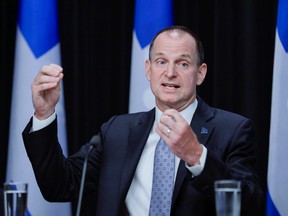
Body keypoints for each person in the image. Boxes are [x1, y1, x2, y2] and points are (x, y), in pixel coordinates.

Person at [22, 25, 264, 215]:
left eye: (183, 63)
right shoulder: (117, 130)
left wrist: (196, 156)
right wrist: (44, 115)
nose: (170, 73)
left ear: (200, 73)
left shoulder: (232, 129)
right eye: (161, 62)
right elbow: (60, 186)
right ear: (148, 70)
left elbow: (250, 205)